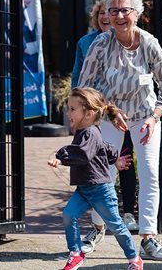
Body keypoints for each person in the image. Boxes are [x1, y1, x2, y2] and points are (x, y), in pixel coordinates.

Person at [78, 0, 162, 261]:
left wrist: (155, 117)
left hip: (145, 116)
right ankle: (97, 229)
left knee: (149, 174)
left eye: (125, 11)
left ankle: (149, 238)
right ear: (107, 14)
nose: (119, 17)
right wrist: (109, 110)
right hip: (111, 116)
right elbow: (86, 87)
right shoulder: (100, 44)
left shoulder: (149, 43)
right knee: (104, 174)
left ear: (137, 13)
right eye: (114, 11)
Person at [48, 87, 142, 270]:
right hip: (84, 189)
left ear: (89, 113)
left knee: (116, 226)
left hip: (100, 190)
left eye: (73, 109)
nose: (68, 113)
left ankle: (134, 259)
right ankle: (76, 254)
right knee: (69, 215)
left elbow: (83, 154)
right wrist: (115, 159)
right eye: (69, 108)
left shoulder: (90, 132)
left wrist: (60, 157)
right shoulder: (87, 131)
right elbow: (104, 148)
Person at [71, 0, 139, 234]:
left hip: (126, 111)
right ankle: (98, 223)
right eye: (101, 13)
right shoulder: (86, 42)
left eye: (107, 13)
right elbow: (79, 78)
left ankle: (128, 212)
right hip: (98, 112)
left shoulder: (128, 40)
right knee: (97, 163)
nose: (105, 18)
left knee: (125, 160)